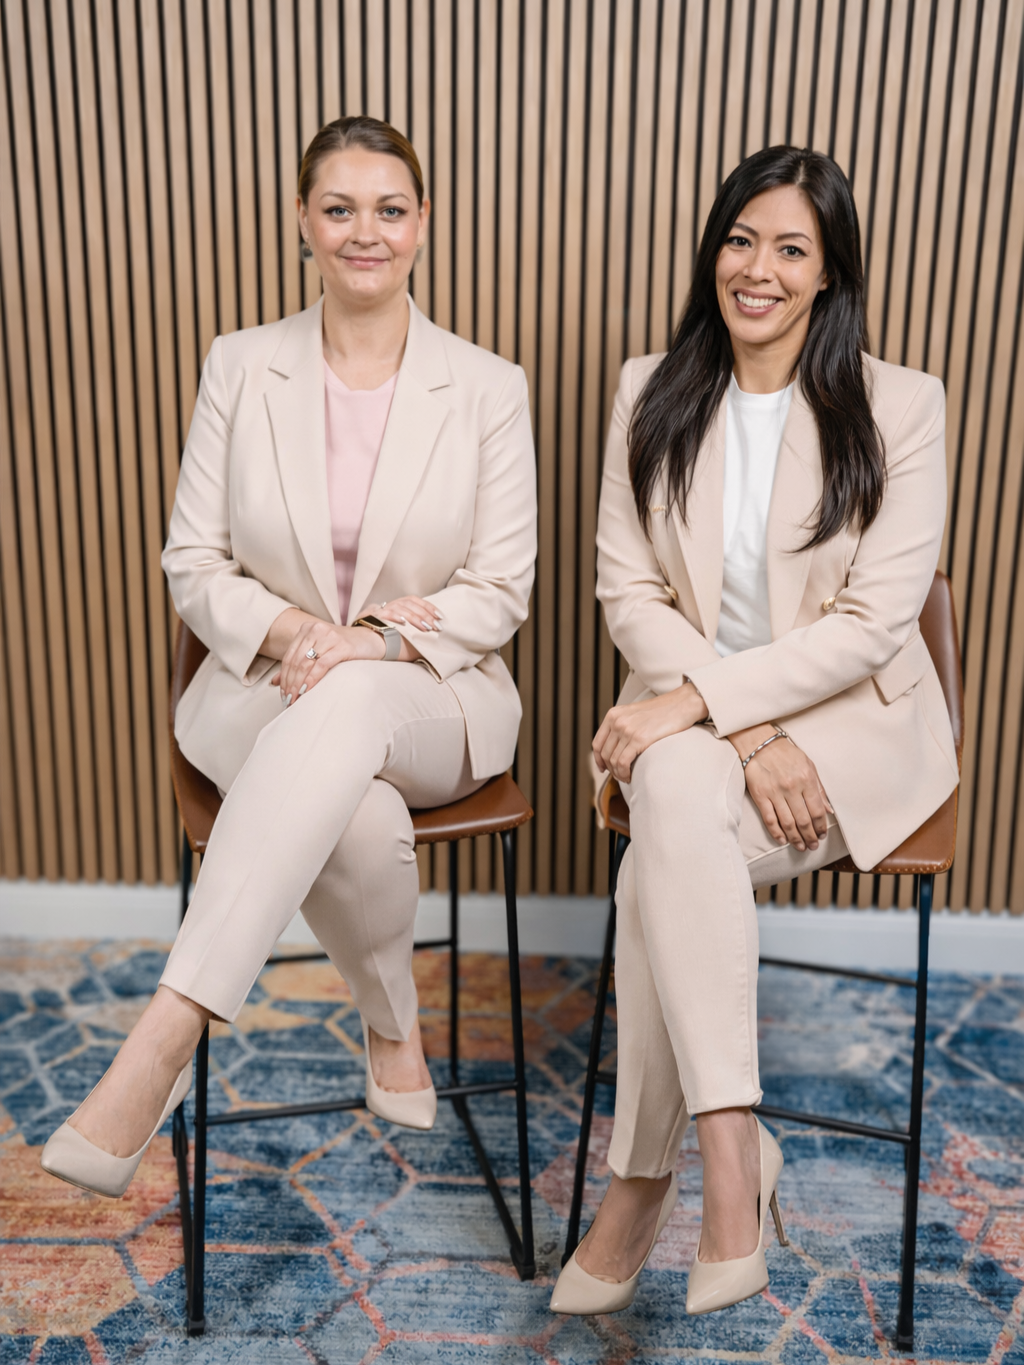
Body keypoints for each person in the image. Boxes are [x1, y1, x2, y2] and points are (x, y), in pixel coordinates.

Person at [41, 116, 537, 1199]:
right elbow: (193, 560)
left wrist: (367, 643)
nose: (367, 231)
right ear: (302, 222)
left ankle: (166, 1036)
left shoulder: (489, 387)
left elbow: (501, 588)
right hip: (259, 690)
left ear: (424, 223)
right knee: (351, 802)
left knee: (357, 702)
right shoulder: (241, 365)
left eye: (390, 208)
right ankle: (390, 1021)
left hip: (436, 699)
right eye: (340, 207)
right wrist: (300, 636)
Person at [551, 145, 957, 1317]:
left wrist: (707, 710)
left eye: (790, 248)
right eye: (740, 240)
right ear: (711, 251)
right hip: (707, 736)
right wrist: (735, 731)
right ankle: (730, 1158)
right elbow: (628, 595)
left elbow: (879, 622)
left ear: (829, 273)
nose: (758, 269)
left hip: (855, 728)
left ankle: (641, 1184)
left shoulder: (901, 404)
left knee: (656, 852)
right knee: (676, 807)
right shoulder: (648, 388)